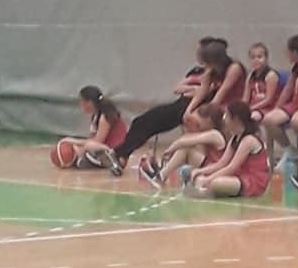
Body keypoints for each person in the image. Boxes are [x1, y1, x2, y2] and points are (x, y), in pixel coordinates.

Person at [96, 36, 226, 176]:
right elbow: (178, 88)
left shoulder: (216, 74)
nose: (197, 53)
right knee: (140, 121)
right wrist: (194, 90)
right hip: (180, 104)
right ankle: (121, 157)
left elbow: (205, 92)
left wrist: (193, 91)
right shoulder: (196, 70)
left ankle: (117, 154)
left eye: (200, 50)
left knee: (153, 124)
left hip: (194, 108)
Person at [191, 101, 270, 198]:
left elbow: (232, 167)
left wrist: (208, 179)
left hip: (253, 181)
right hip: (240, 176)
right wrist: (200, 171)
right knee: (203, 178)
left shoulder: (249, 140)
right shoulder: (234, 138)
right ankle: (207, 189)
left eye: (227, 116)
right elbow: (221, 163)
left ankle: (207, 190)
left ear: (235, 119)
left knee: (216, 183)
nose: (224, 119)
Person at [138, 104, 226, 189]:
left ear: (209, 121)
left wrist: (170, 149)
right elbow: (185, 139)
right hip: (206, 167)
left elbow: (183, 142)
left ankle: (161, 177)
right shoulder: (206, 133)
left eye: (198, 124)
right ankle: (161, 175)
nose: (197, 126)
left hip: (213, 170)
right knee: (187, 148)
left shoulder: (215, 134)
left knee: (186, 148)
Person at [59, 86, 126, 168]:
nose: (80, 104)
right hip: (106, 148)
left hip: (116, 151)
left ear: (89, 102)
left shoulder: (104, 117)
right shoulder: (95, 117)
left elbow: (98, 141)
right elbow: (91, 138)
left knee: (89, 146)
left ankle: (111, 161)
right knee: (84, 147)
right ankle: (94, 161)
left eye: (81, 101)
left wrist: (74, 141)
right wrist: (77, 147)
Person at [183, 41, 246, 121]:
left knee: (205, 118)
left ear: (216, 60)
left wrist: (207, 112)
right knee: (192, 116)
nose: (205, 65)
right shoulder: (210, 71)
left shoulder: (234, 68)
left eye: (208, 62)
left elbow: (223, 91)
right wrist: (189, 110)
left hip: (234, 104)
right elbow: (202, 92)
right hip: (220, 104)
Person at [243, 42, 280, 123]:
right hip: (252, 106)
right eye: (253, 57)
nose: (256, 60)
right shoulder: (250, 75)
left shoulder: (271, 75)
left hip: (267, 107)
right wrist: (242, 108)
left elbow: (269, 99)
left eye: (259, 57)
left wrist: (252, 108)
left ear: (266, 59)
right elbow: (246, 97)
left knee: (252, 117)